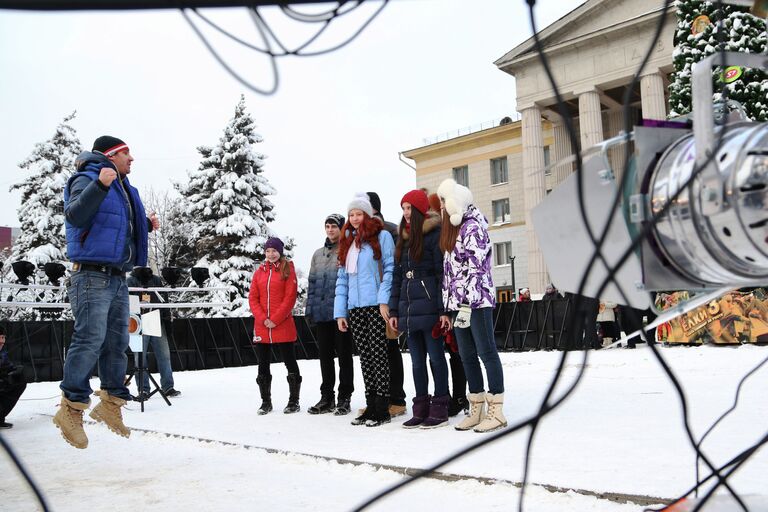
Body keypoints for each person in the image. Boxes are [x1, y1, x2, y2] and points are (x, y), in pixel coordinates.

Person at [55, 136, 159, 449]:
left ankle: (111, 404)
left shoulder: (125, 189)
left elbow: (117, 227)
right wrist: (99, 185)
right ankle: (71, 409)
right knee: (89, 338)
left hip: (117, 276)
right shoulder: (87, 178)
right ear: (112, 155)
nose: (132, 159)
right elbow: (75, 215)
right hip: (89, 275)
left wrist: (147, 226)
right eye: (127, 153)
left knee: (118, 341)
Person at [437, 178, 507, 434]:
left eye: (444, 201)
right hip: (459, 304)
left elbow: (476, 268)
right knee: (465, 355)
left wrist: (466, 301)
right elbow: (450, 273)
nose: (441, 206)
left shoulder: (473, 227)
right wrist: (449, 306)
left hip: (476, 302)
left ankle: (496, 409)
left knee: (486, 351)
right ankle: (475, 405)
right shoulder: (454, 229)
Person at [388, 189, 450, 429]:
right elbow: (396, 278)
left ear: (420, 210)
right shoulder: (401, 239)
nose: (405, 213)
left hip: (431, 307)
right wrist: (394, 311)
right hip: (409, 308)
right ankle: (421, 408)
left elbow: (441, 274)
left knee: (436, 358)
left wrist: (443, 310)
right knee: (416, 362)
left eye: (409, 208)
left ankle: (440, 406)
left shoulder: (434, 235)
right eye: (403, 208)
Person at [335, 193, 395, 427]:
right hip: (355, 306)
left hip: (375, 305)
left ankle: (383, 407)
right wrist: (341, 311)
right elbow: (342, 278)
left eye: (359, 214)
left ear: (367, 215)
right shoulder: (348, 242)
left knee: (379, 354)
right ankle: (370, 404)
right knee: (365, 357)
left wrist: (384, 300)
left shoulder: (382, 236)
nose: (355, 218)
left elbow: (389, 269)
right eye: (351, 214)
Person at [305, 214, 354, 415]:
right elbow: (312, 284)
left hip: (340, 314)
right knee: (325, 357)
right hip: (321, 313)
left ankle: (344, 397)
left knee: (344, 356)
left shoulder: (348, 250)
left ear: (341, 228)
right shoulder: (317, 254)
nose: (330, 230)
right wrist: (310, 311)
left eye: (334, 226)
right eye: (327, 226)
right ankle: (327, 397)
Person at [249, 237, 301, 415]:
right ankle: (266, 402)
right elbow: (253, 298)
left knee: (289, 361)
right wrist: (263, 318)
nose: (271, 254)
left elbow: (290, 297)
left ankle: (293, 401)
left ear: (280, 252)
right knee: (263, 363)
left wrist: (276, 319)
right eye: (268, 251)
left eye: (274, 251)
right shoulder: (259, 273)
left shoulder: (288, 270)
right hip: (262, 325)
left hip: (282, 323)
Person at [367, 191, 407, 418]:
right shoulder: (359, 234)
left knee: (390, 349)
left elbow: (394, 266)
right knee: (374, 352)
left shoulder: (389, 230)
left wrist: (393, 299)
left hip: (388, 299)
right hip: (366, 301)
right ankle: (379, 400)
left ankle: (397, 399)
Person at [428, 192, 468, 417]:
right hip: (439, 299)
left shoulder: (449, 231)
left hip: (451, 300)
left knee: (456, 351)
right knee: (448, 352)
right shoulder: (438, 233)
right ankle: (453, 394)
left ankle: (460, 395)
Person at [126, 267, 181, 400]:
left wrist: (166, 319)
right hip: (136, 320)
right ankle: (143, 389)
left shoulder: (155, 280)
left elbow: (164, 299)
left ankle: (168, 387)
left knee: (164, 355)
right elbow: (126, 302)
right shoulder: (130, 281)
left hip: (154, 318)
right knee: (140, 357)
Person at [0, 326, 26, 429]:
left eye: (3, 337)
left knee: (19, 381)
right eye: (0, 337)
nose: (2, 341)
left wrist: (15, 371)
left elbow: (8, 366)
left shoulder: (2, 354)